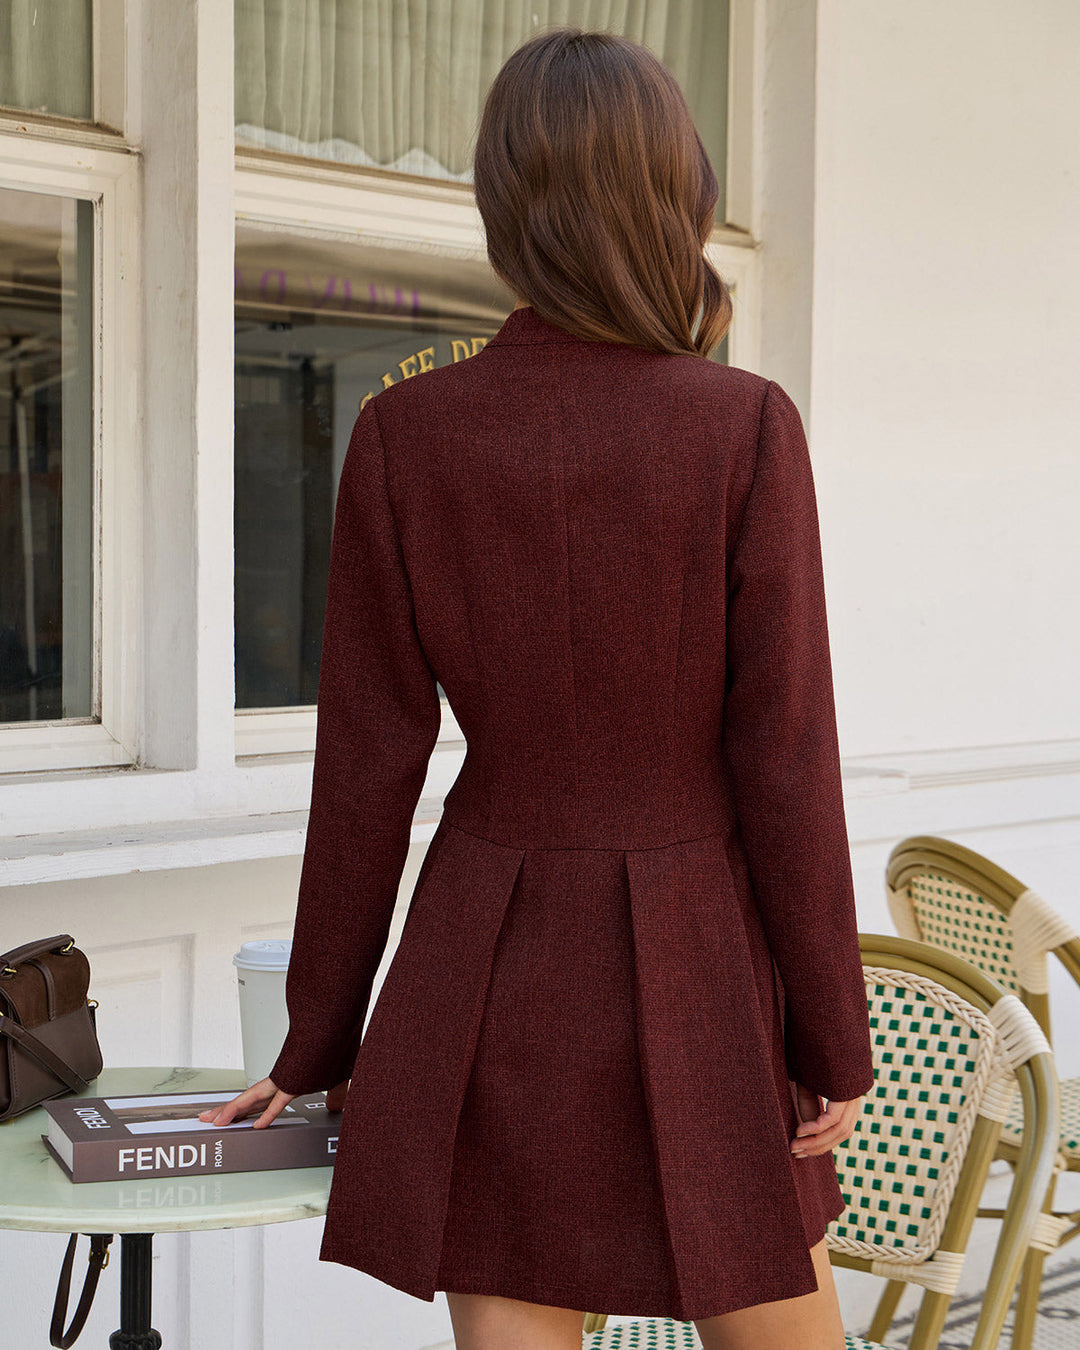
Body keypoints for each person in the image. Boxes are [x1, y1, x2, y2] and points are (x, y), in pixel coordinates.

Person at [201, 26, 875, 1350]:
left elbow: (366, 771)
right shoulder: (742, 426)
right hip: (703, 966)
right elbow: (784, 758)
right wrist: (832, 1037)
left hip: (488, 953)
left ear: (503, 208)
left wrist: (315, 1039)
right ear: (676, 199)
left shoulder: (405, 437)